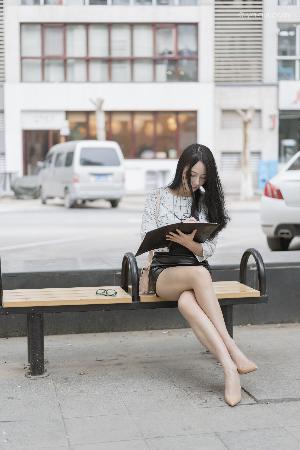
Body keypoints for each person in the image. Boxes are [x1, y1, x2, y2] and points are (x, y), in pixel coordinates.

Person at [141, 143, 257, 407]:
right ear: (181, 168)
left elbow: (209, 249)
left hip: (192, 267)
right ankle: (233, 349)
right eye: (191, 175)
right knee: (200, 276)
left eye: (202, 177)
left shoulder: (204, 200)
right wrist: (175, 236)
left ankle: (229, 369)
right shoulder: (157, 197)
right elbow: (146, 241)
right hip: (165, 271)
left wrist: (192, 243)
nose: (195, 182)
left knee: (188, 303)